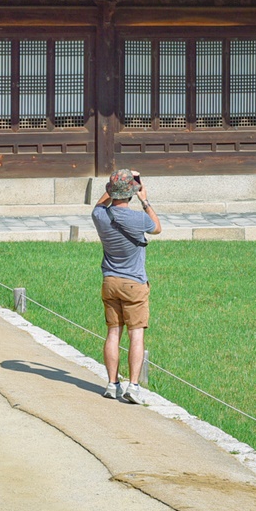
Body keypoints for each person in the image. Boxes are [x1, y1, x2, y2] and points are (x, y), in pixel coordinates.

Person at [91, 169, 161, 405]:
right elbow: (157, 227)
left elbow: (101, 203)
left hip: (109, 282)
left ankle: (112, 384)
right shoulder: (139, 219)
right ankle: (133, 386)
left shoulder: (100, 216)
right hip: (134, 284)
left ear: (112, 192)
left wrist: (116, 183)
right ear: (132, 192)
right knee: (136, 335)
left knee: (113, 332)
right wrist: (144, 199)